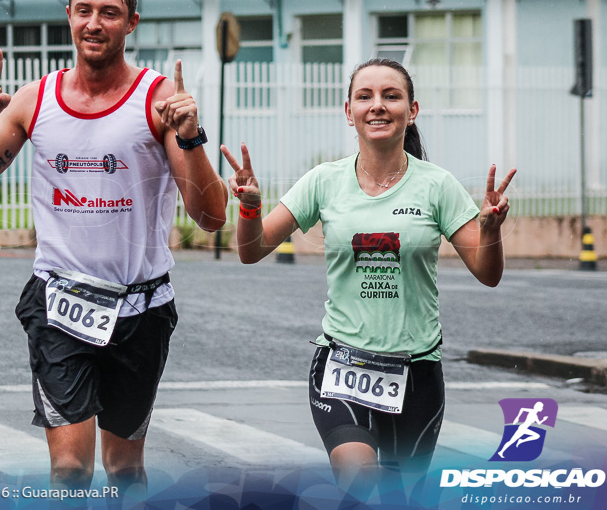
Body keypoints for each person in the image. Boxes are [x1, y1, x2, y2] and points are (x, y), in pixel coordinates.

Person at [0, 0, 228, 495]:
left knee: (124, 471)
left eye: (110, 13)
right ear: (69, 17)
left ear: (131, 23)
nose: (95, 23)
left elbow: (211, 218)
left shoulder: (157, 101)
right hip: (60, 304)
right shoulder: (35, 100)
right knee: (70, 471)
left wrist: (190, 136)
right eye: (85, 11)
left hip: (140, 309)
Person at [220, 58, 516, 498]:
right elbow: (251, 250)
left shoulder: (437, 186)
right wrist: (249, 207)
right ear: (348, 111)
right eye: (365, 96)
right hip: (343, 368)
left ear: (412, 110)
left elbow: (487, 274)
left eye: (391, 96)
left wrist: (489, 231)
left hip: (417, 373)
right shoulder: (324, 181)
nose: (377, 106)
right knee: (361, 484)